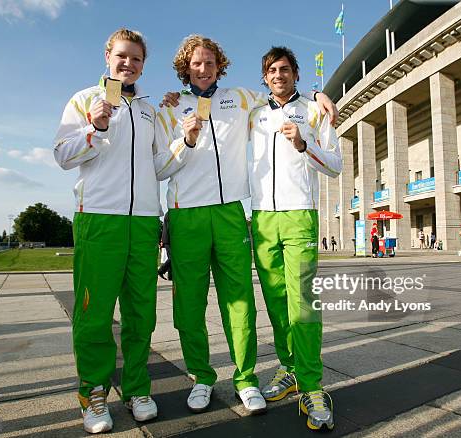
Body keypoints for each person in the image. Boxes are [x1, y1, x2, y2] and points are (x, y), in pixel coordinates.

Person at [156, 35, 338, 415]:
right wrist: (184, 141)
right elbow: (160, 168)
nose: (203, 69)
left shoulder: (243, 100)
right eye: (195, 64)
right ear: (184, 68)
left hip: (232, 213)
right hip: (188, 212)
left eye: (209, 62)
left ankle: (247, 378)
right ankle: (202, 377)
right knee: (190, 306)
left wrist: (320, 93)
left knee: (242, 303)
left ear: (219, 65)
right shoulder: (170, 109)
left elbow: (287, 96)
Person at [53, 29, 187, 434]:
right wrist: (94, 128)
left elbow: (161, 166)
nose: (129, 64)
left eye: (137, 59)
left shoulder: (148, 110)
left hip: (144, 221)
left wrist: (188, 142)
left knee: (140, 314)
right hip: (99, 218)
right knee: (94, 314)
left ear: (143, 64)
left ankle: (137, 387)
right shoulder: (82, 100)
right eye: (122, 56)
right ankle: (93, 392)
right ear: (108, 56)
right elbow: (62, 154)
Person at [250, 46, 342, 431]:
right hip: (260, 217)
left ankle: (312, 384)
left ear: (296, 74)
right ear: (265, 77)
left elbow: (335, 165)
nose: (279, 75)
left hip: (299, 214)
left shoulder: (315, 110)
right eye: (272, 70)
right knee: (275, 302)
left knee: (302, 303)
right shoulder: (251, 111)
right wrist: (177, 97)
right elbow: (209, 97)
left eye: (285, 69)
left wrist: (305, 144)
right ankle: (288, 369)